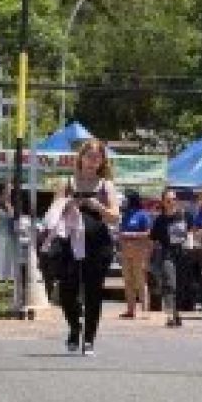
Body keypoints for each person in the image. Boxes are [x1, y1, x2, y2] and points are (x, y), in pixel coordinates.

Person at [44, 140, 120, 355]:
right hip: (70, 242)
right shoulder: (67, 182)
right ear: (81, 158)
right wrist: (68, 204)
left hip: (98, 244)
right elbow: (53, 212)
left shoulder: (106, 185)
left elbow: (115, 217)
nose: (93, 161)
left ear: (102, 161)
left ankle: (89, 339)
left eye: (97, 157)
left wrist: (99, 206)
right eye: (89, 156)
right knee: (67, 290)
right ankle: (74, 327)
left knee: (94, 291)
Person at [149, 191, 191, 329]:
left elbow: (192, 231)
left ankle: (176, 312)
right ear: (163, 202)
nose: (171, 202)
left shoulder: (185, 216)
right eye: (168, 200)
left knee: (181, 285)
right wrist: (150, 259)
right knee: (169, 283)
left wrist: (190, 243)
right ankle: (170, 315)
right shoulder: (159, 220)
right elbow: (153, 240)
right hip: (167, 254)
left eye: (173, 199)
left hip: (183, 254)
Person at [118, 191, 153, 320]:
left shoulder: (143, 214)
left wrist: (132, 235)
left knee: (140, 280)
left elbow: (148, 233)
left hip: (140, 251)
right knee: (128, 281)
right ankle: (130, 309)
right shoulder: (125, 215)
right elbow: (121, 231)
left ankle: (145, 310)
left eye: (127, 199)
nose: (125, 201)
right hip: (126, 251)